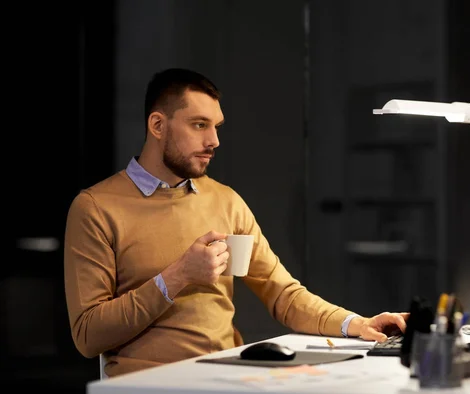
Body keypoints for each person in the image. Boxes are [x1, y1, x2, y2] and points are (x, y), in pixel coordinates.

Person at [63, 67, 410, 377]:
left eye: (216, 127)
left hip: (227, 376)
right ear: (157, 125)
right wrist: (178, 276)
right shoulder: (96, 207)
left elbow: (283, 294)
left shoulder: (225, 200)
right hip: (150, 385)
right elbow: (88, 335)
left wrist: (356, 324)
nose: (214, 141)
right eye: (199, 125)